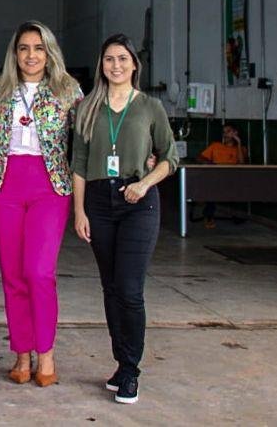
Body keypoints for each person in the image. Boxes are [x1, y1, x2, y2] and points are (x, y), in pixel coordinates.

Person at [72, 34, 179, 406]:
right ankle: (120, 364)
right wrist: (79, 211)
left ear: (134, 64)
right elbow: (80, 164)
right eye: (108, 59)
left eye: (122, 59)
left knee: (130, 290)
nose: (115, 65)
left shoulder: (151, 107)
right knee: (111, 288)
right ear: (101, 65)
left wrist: (146, 183)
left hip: (139, 202)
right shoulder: (88, 108)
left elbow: (169, 157)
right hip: (99, 202)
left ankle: (131, 370)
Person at [0, 21, 82, 387]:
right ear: (15, 54)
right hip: (6, 186)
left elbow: (89, 137)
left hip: (50, 186)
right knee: (13, 275)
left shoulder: (69, 91)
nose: (31, 55)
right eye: (24, 48)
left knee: (39, 272)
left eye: (38, 48)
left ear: (49, 53)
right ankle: (20, 355)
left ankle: (46, 355)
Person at [195, 124, 247, 228]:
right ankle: (209, 216)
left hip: (232, 179)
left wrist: (239, 142)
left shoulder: (241, 149)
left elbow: (242, 163)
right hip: (215, 177)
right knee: (211, 186)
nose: (225, 134)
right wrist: (209, 163)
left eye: (228, 131)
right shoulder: (216, 146)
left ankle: (237, 214)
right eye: (224, 132)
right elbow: (200, 158)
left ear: (235, 133)